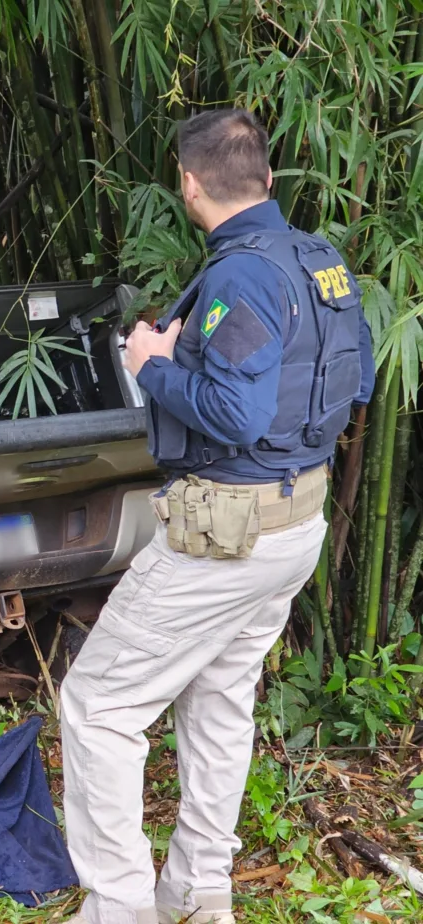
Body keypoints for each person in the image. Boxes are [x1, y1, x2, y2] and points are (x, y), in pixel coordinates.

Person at [60, 109, 374, 924]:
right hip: (297, 521)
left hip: (227, 532)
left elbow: (233, 414)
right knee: (222, 698)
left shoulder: (241, 275)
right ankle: (199, 895)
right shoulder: (320, 259)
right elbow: (357, 381)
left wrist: (152, 365)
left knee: (100, 708)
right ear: (268, 181)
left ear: (189, 185)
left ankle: (120, 911)